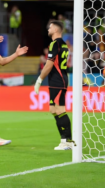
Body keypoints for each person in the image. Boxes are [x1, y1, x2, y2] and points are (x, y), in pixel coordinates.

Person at [34, 20, 76, 150]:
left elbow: (49, 64)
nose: (48, 28)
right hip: (58, 80)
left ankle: (67, 141)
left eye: (50, 27)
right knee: (53, 110)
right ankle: (64, 140)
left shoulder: (54, 44)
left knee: (60, 110)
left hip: (58, 80)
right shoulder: (63, 45)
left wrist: (39, 79)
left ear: (56, 30)